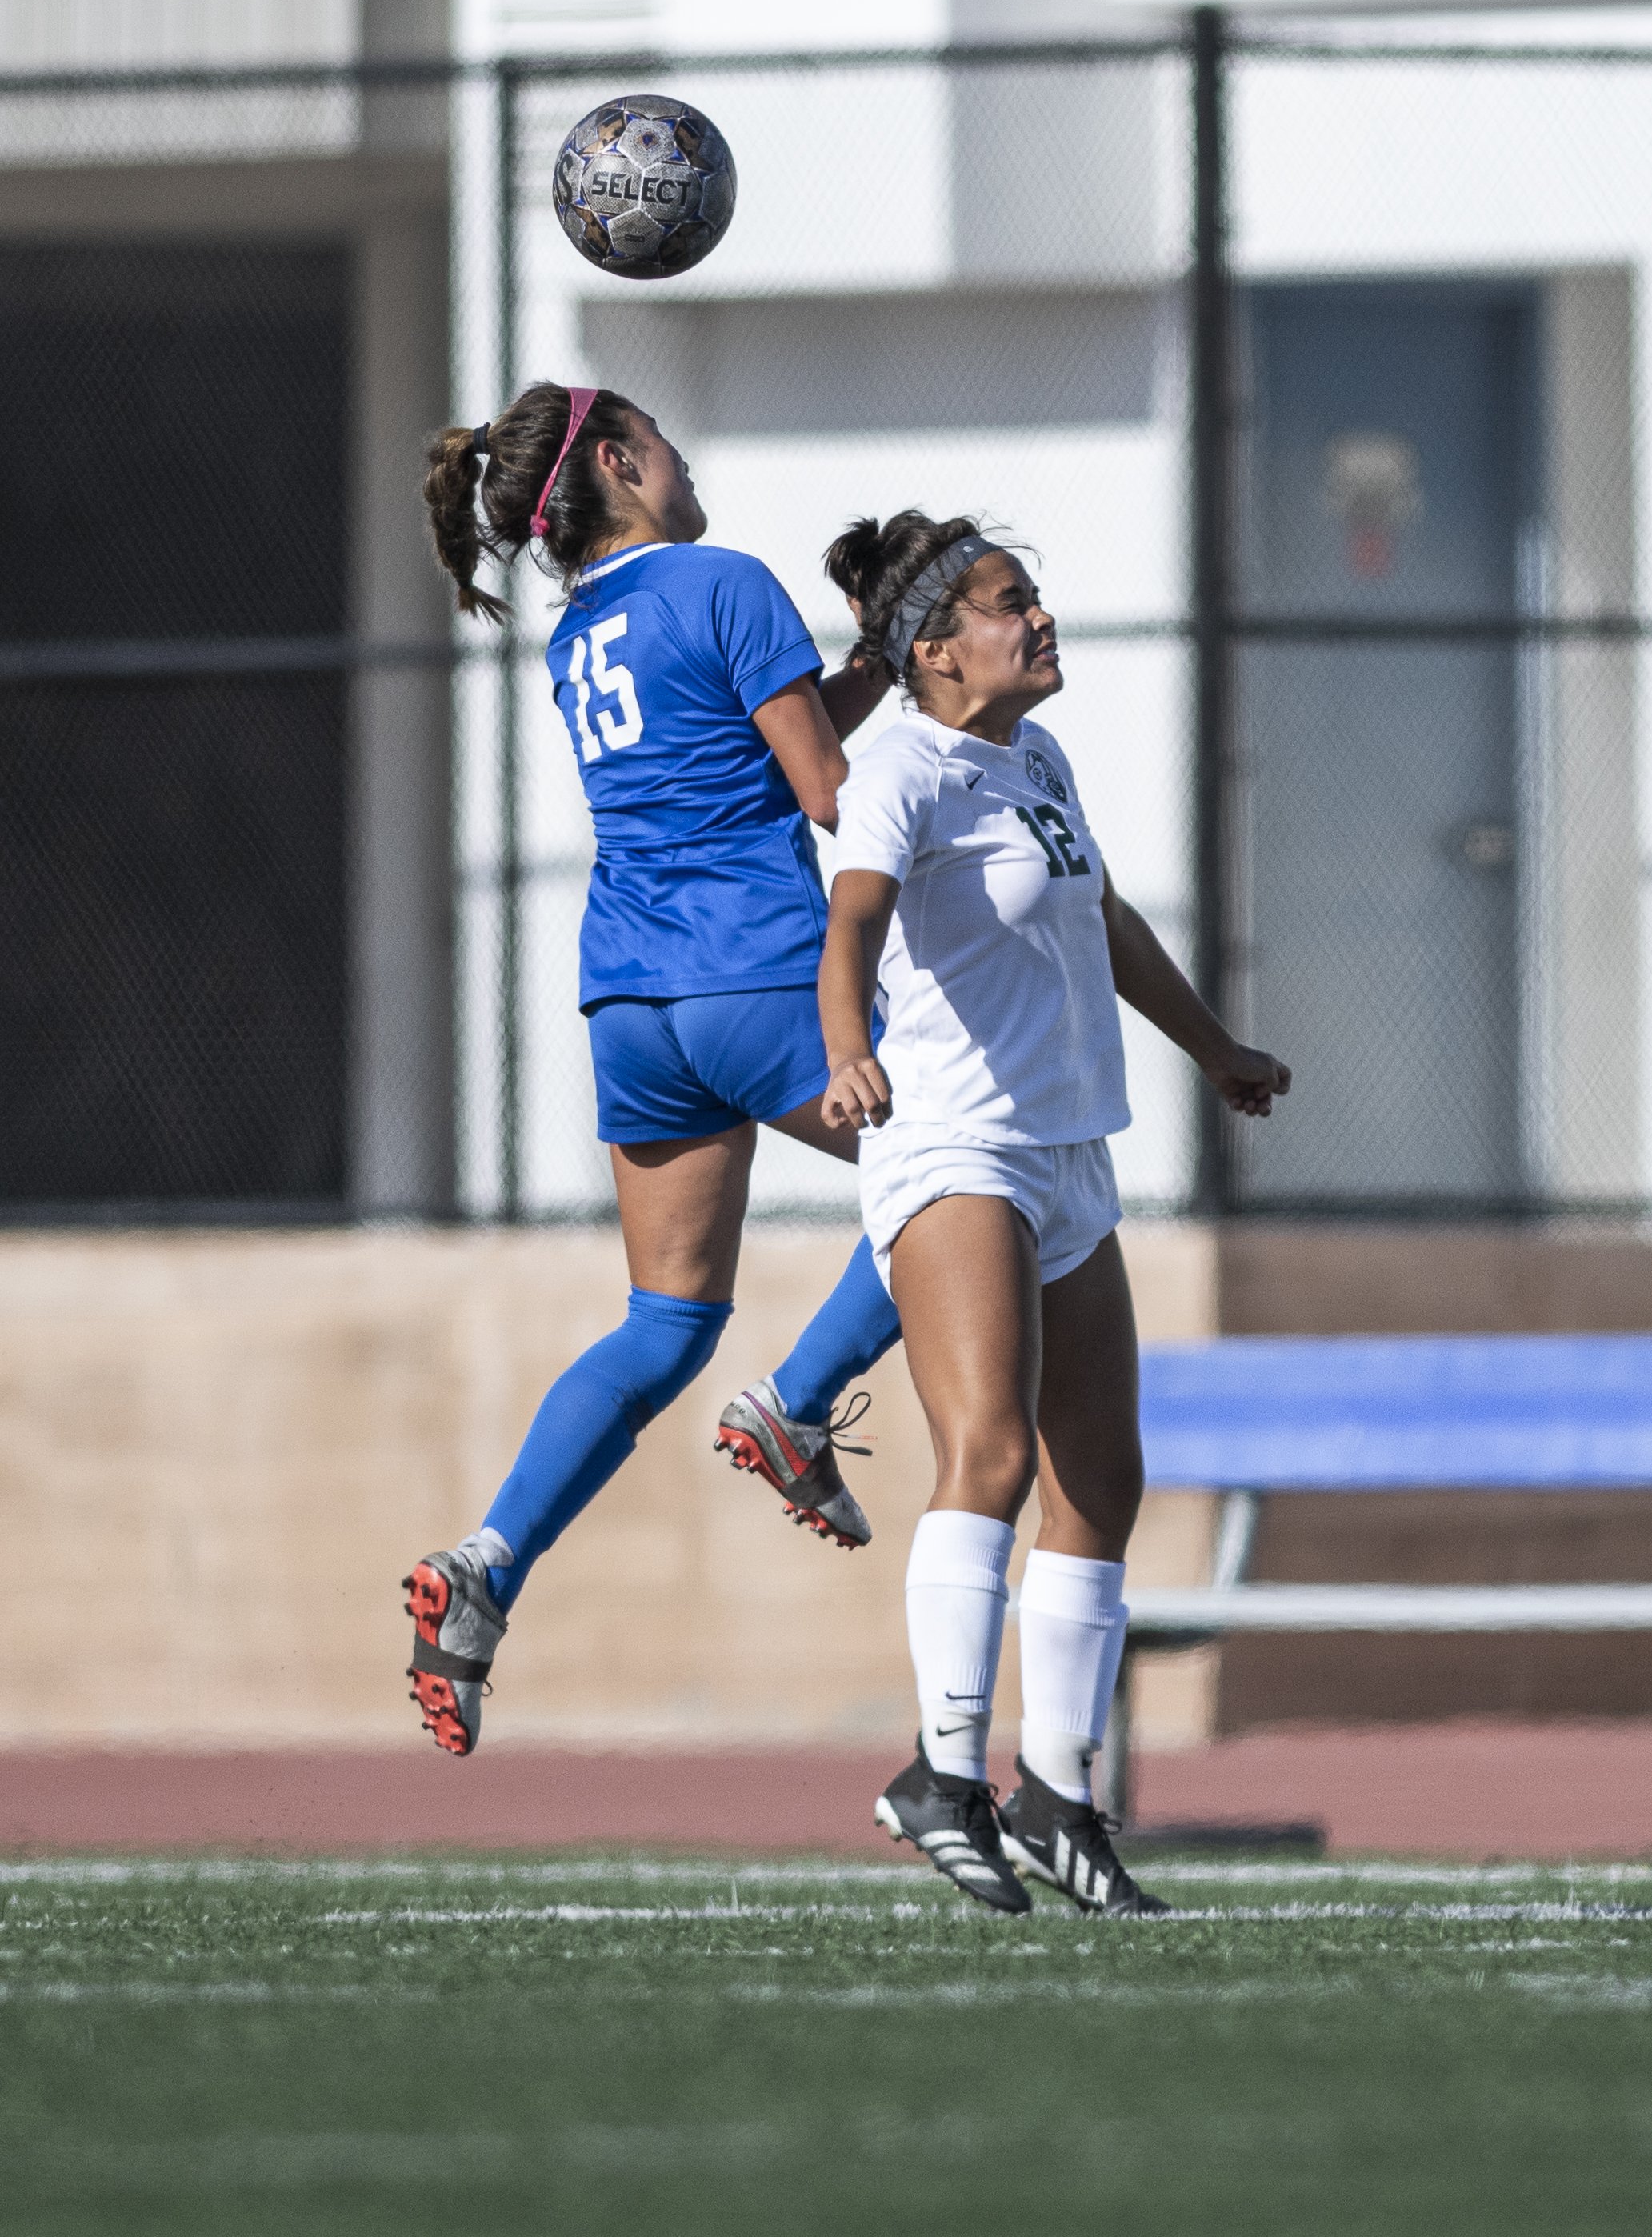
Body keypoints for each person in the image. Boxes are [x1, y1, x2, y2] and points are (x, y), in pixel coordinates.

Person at [403, 382, 903, 1755]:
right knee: (970, 1171)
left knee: (664, 1323)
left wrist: (867, 660)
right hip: (756, 968)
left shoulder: (581, 628)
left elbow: (738, 755)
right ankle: (796, 1404)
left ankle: (487, 1569)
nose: (686, 461)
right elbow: (816, 794)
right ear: (621, 462)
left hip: (634, 998)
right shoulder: (721, 582)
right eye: (668, 439)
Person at [818, 511, 1290, 1915]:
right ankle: (941, 1776)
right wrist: (849, 1049)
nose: (1037, 619)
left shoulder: (1037, 759)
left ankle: (1062, 1799)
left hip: (1069, 1150)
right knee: (992, 1450)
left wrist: (1213, 1046)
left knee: (1105, 1476)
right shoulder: (897, 766)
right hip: (955, 1147)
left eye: (1032, 597)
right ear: (932, 649)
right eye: (1007, 602)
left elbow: (1106, 921)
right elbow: (847, 929)